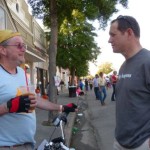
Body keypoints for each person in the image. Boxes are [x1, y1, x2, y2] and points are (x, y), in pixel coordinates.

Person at [0, 30, 77, 149]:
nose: (23, 49)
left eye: (23, 45)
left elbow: (34, 99)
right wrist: (7, 107)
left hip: (28, 144)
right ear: (3, 50)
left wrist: (61, 107)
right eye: (18, 45)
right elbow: (11, 106)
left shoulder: (21, 72)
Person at [108, 15, 150, 150]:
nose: (109, 40)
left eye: (113, 35)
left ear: (129, 33)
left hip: (141, 144)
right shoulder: (123, 66)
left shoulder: (147, 62)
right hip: (120, 142)